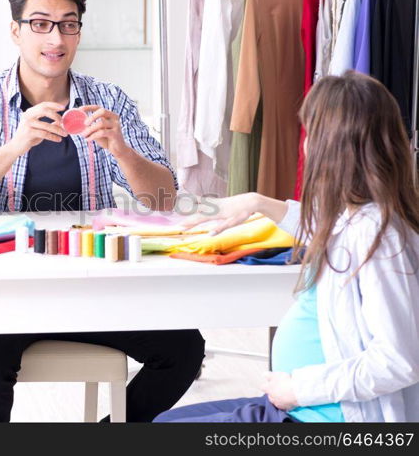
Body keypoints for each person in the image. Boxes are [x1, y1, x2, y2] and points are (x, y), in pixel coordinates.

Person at [0, 0, 205, 422]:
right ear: (16, 31)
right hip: (3, 289)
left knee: (183, 349)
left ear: (78, 32)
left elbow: (164, 201)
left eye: (67, 24)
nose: (54, 38)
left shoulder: (108, 101)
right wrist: (15, 146)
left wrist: (122, 149)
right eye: (40, 24)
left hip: (92, 283)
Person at [155, 71, 419, 422]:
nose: (305, 145)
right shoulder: (356, 219)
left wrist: (300, 389)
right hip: (301, 404)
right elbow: (323, 232)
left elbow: (399, 360)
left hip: (324, 415)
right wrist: (257, 202)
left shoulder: (378, 236)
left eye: (311, 132)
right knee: (165, 421)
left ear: (333, 145)